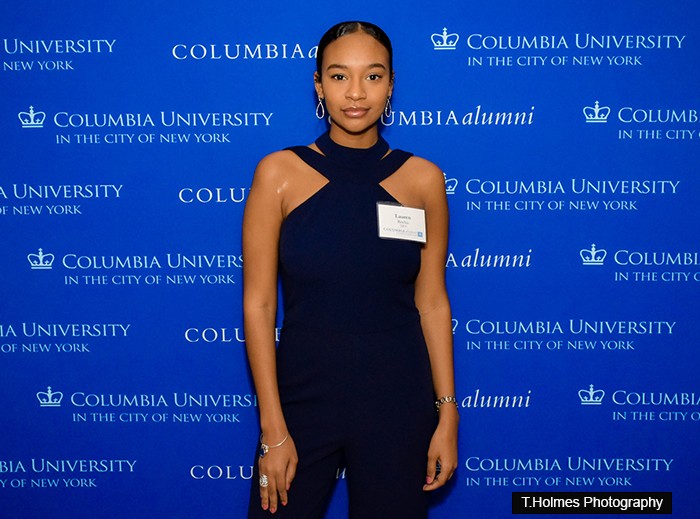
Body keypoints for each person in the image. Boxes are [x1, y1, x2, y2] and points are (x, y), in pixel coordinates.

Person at [243, 21, 458, 518]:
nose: (356, 93)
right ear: (318, 85)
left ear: (391, 84)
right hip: (302, 400)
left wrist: (447, 412)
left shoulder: (423, 179)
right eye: (339, 77)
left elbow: (431, 301)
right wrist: (272, 427)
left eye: (373, 76)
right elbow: (258, 304)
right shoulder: (278, 172)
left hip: (399, 401)